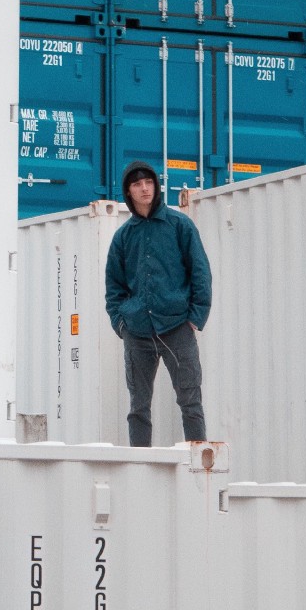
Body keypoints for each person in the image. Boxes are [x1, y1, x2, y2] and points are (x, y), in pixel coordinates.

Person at [105, 160, 212, 447]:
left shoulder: (180, 225)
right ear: (128, 191)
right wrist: (121, 322)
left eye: (149, 183)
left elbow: (200, 272)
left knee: (190, 400)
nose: (144, 189)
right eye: (137, 184)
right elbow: (113, 286)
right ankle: (140, 472)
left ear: (156, 186)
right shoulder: (123, 237)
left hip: (177, 327)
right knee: (138, 407)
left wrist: (195, 318)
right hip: (137, 331)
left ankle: (198, 472)